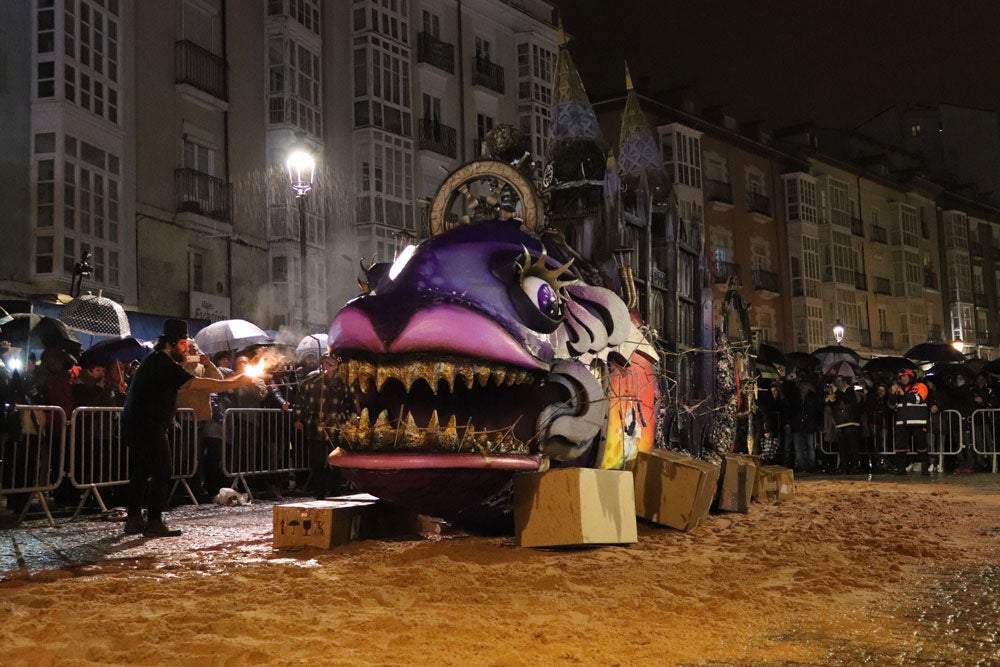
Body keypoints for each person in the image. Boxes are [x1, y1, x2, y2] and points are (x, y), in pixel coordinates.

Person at [121, 319, 255, 537]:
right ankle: (154, 521)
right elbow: (198, 384)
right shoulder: (163, 363)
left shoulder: (158, 361)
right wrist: (236, 382)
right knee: (162, 470)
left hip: (137, 424)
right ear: (171, 344)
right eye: (183, 344)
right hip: (146, 425)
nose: (186, 349)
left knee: (141, 471)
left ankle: (134, 519)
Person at [888, 368, 931, 475]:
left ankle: (925, 469)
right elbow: (891, 405)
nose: (903, 378)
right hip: (902, 422)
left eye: (905, 376)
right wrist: (893, 393)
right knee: (900, 446)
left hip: (918, 421)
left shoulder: (921, 386)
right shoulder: (898, 389)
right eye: (901, 377)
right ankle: (901, 469)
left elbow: (918, 399)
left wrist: (904, 394)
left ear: (911, 377)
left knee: (921, 446)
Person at [826, 375, 863, 474]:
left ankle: (855, 466)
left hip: (851, 422)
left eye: (839, 381)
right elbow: (835, 406)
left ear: (844, 382)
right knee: (842, 448)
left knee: (853, 446)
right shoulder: (838, 393)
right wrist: (830, 401)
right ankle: (844, 466)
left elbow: (848, 400)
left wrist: (837, 392)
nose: (837, 384)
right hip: (841, 423)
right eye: (836, 381)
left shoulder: (849, 390)